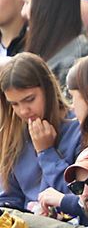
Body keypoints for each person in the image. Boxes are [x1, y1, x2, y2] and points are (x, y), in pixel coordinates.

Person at [0, 53, 78, 218]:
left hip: (65, 225)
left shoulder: (78, 126)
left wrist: (46, 152)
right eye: (14, 104)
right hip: (26, 223)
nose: (23, 110)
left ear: (47, 88)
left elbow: (80, 195)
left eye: (30, 99)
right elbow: (10, 197)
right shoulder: (15, 133)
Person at [19, 0, 88, 88]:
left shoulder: (74, 61)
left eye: (27, 3)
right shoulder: (52, 47)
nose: (23, 12)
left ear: (47, 6)